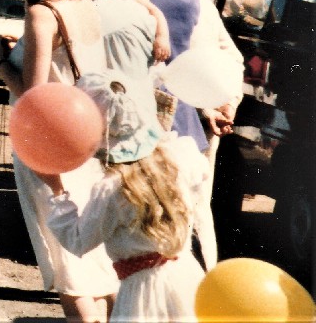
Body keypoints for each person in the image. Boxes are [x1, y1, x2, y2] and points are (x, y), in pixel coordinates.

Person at [0, 0, 118, 323]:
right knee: (98, 262)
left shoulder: (42, 13)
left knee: (68, 266)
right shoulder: (86, 5)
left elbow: (35, 98)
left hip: (48, 148)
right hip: (88, 138)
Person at [122, 0, 242, 270]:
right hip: (197, 118)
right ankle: (201, 282)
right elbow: (228, 54)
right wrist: (224, 101)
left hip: (152, 119)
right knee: (194, 210)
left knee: (149, 213)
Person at [44, 71, 209, 323]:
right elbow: (199, 182)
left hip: (141, 294)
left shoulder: (112, 189)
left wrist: (56, 189)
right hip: (186, 276)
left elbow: (78, 240)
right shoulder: (180, 158)